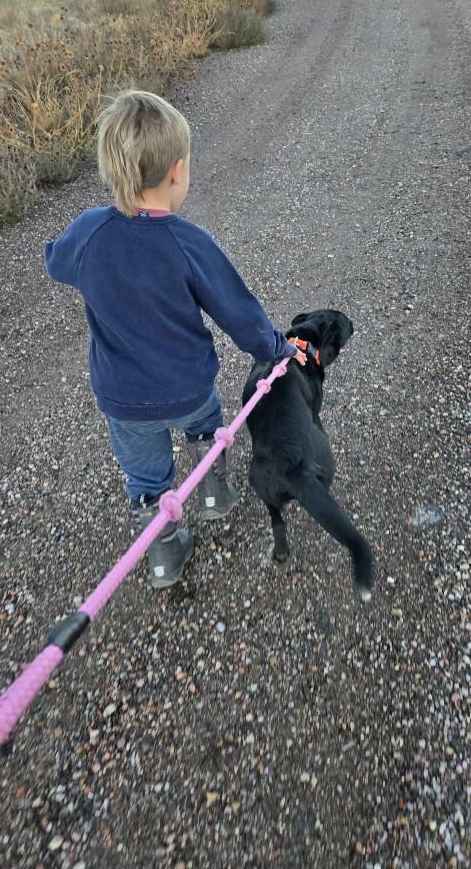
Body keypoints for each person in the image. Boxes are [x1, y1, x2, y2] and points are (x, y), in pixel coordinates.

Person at [44, 89, 305, 589]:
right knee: (207, 427)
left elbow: (56, 260)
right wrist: (276, 350)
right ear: (177, 172)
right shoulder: (187, 242)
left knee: (145, 478)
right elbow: (238, 311)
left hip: (123, 401)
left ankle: (162, 555)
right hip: (189, 389)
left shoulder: (88, 233)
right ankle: (212, 492)